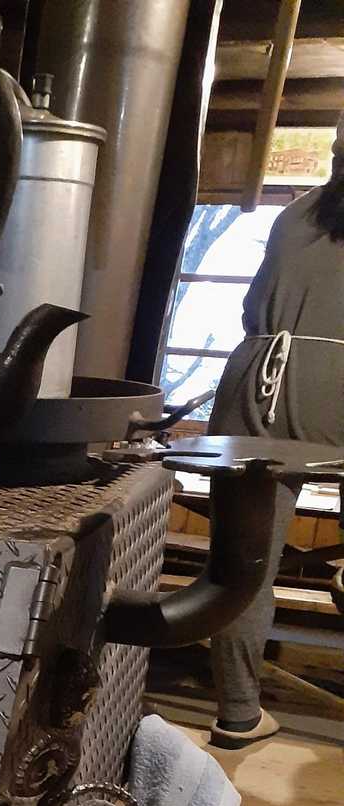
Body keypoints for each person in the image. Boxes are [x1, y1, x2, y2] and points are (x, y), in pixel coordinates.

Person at [205, 116, 344, 749]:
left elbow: (251, 305)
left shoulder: (297, 213)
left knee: (243, 563)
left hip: (253, 382)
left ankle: (237, 714)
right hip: (334, 382)